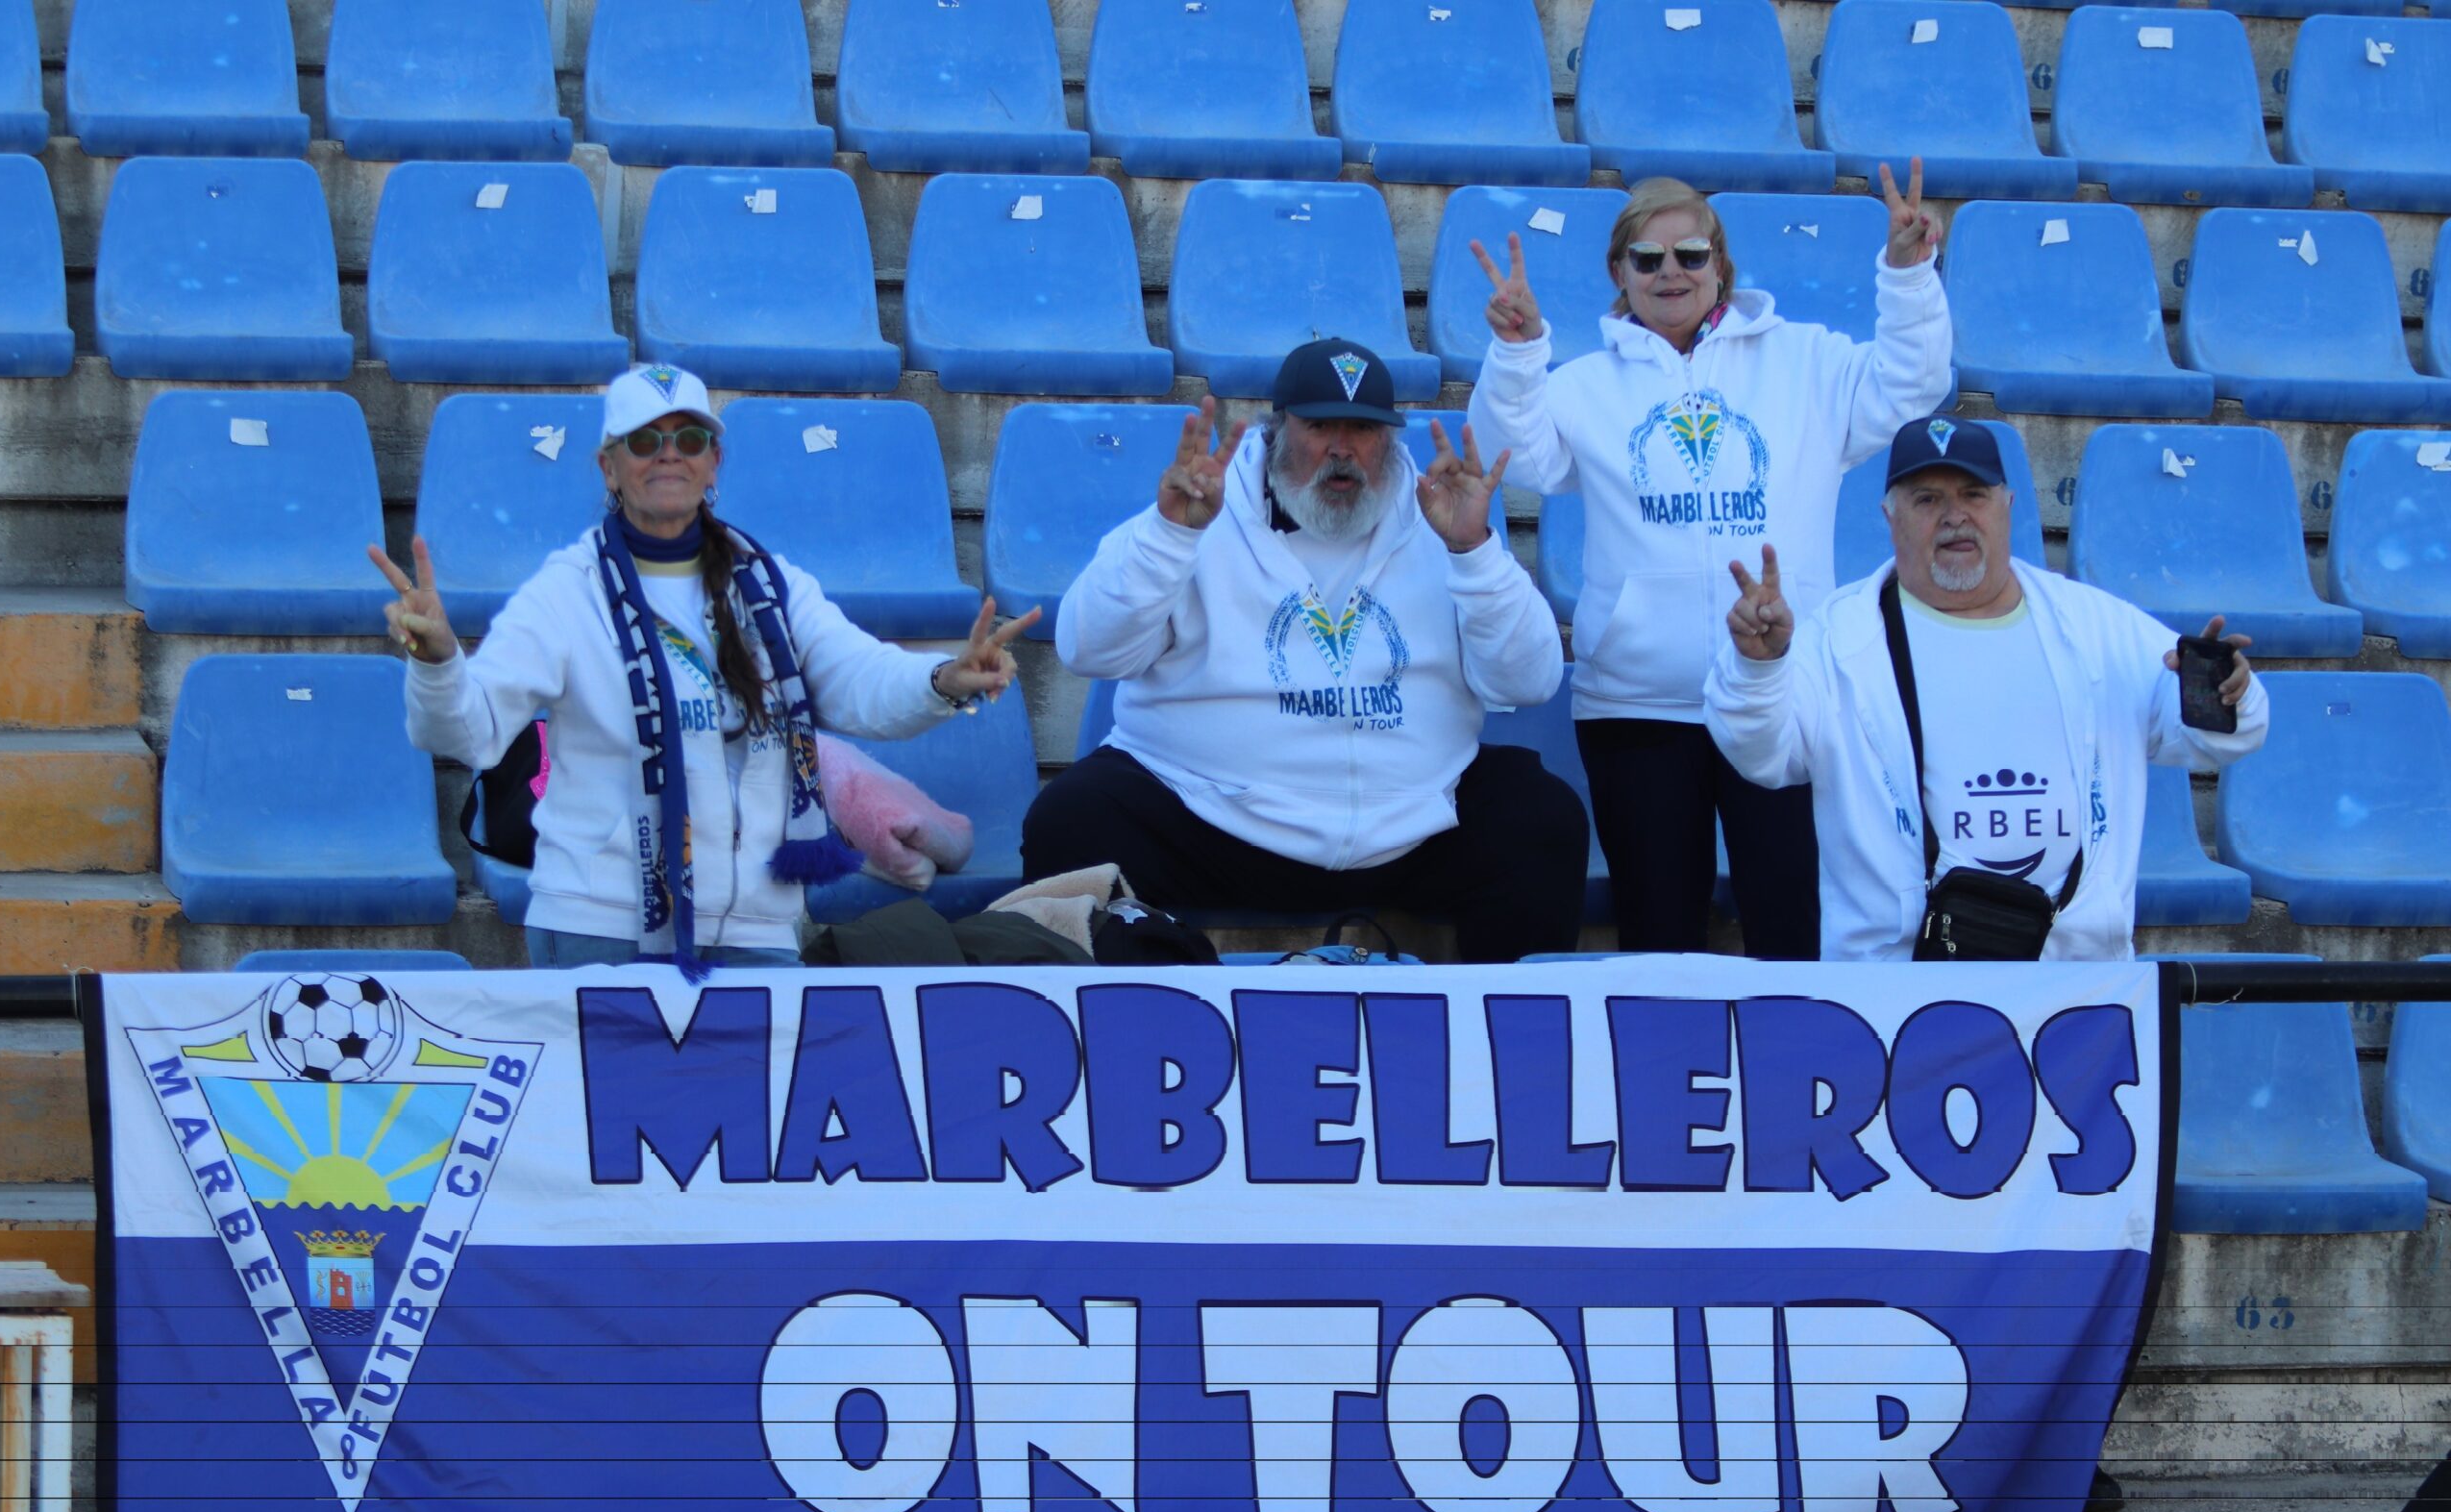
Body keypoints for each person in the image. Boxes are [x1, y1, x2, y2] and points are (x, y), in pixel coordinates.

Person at [373, 362, 1038, 975]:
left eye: (689, 438)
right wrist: (438, 662)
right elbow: (471, 730)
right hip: (601, 924)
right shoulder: (566, 590)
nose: (669, 453)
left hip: (756, 924)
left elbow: (862, 678)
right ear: (608, 467)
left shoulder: (771, 586)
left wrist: (943, 680)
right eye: (644, 440)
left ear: (714, 461)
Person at [1465, 164, 1953, 958]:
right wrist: (1518, 353)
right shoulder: (1585, 385)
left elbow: (1912, 385)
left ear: (1721, 265)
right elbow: (1513, 458)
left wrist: (1907, 274)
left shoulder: (1809, 362)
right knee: (1660, 940)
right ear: (1619, 273)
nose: (1672, 273)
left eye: (1691, 255)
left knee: (1794, 931)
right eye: (1648, 259)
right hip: (1636, 708)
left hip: (1785, 691)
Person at [1020, 337, 1587, 963]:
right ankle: (1165, 1015)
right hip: (1213, 818)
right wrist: (1168, 537)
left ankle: (1500, 1024)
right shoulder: (1198, 516)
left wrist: (1474, 552)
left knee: (1543, 817)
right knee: (1070, 820)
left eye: (1363, 429)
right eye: (1320, 426)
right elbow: (1088, 649)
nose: (1342, 449)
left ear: (1389, 440)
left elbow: (1529, 680)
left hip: (1411, 825)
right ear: (1277, 430)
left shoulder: (1443, 522)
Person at [1704, 416, 2266, 962]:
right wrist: (1759, 668)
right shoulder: (1836, 639)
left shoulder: (2099, 627)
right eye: (1927, 500)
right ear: (1890, 517)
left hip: (2076, 979)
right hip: (1895, 985)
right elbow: (1762, 756)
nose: (1955, 516)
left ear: (2008, 506)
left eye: (1974, 495)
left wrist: (2226, 692)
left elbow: (2219, 739)